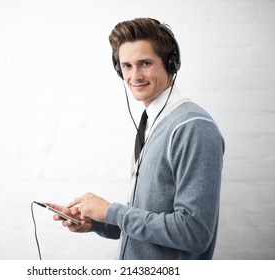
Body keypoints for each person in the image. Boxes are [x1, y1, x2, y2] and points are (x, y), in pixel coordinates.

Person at [45, 18, 224, 260]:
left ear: (171, 64)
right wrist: (98, 222)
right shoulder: (151, 122)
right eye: (127, 66)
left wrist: (111, 212)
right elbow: (150, 218)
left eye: (145, 63)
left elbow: (194, 233)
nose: (135, 75)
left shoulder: (193, 127)